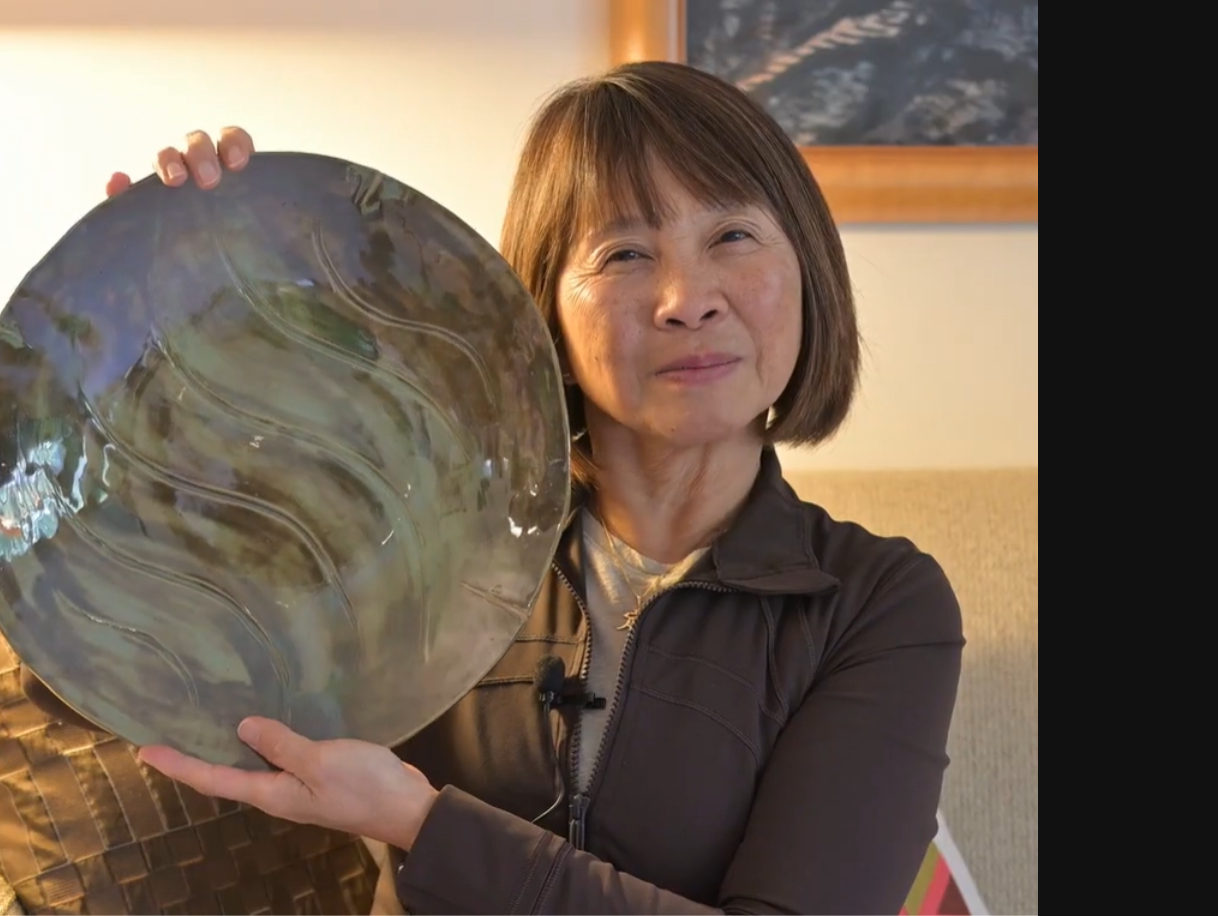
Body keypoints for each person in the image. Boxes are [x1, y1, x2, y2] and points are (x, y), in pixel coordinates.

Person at [105, 61, 964, 915]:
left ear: (807, 267)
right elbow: (181, 609)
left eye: (732, 236)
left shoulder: (877, 604)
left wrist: (424, 825)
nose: (685, 299)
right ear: (540, 312)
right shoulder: (425, 543)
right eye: (624, 252)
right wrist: (171, 295)